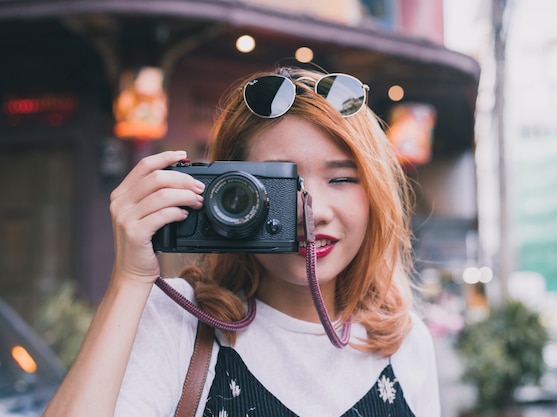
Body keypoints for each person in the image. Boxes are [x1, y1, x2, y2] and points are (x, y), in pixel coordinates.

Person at [43, 67, 440, 417]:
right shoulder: (176, 320)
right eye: (283, 183)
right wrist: (129, 279)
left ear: (376, 194)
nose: (313, 211)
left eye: (341, 179)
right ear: (228, 192)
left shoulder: (403, 341)